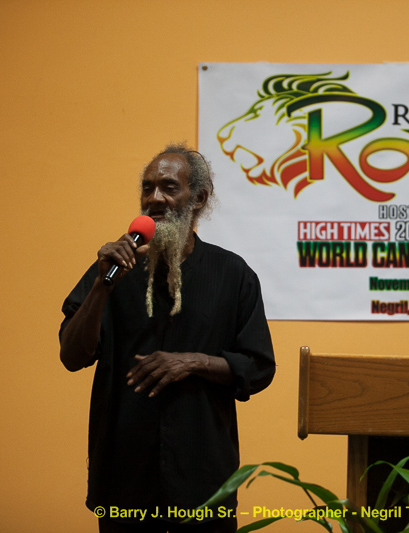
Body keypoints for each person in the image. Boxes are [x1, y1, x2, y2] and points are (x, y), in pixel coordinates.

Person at [59, 144, 275, 533]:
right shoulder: (113, 269)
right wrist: (101, 287)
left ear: (199, 198)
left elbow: (259, 366)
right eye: (148, 188)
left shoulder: (232, 274)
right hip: (124, 478)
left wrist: (193, 361)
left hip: (203, 482)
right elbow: (72, 355)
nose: (154, 198)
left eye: (169, 187)